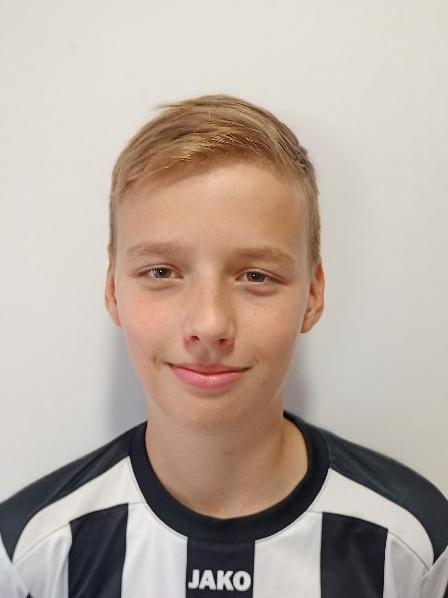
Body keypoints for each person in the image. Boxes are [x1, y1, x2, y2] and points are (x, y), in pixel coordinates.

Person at [0, 93, 446, 598]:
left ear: (313, 295)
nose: (209, 324)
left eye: (255, 275)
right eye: (161, 272)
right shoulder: (29, 555)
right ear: (112, 290)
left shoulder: (413, 546)